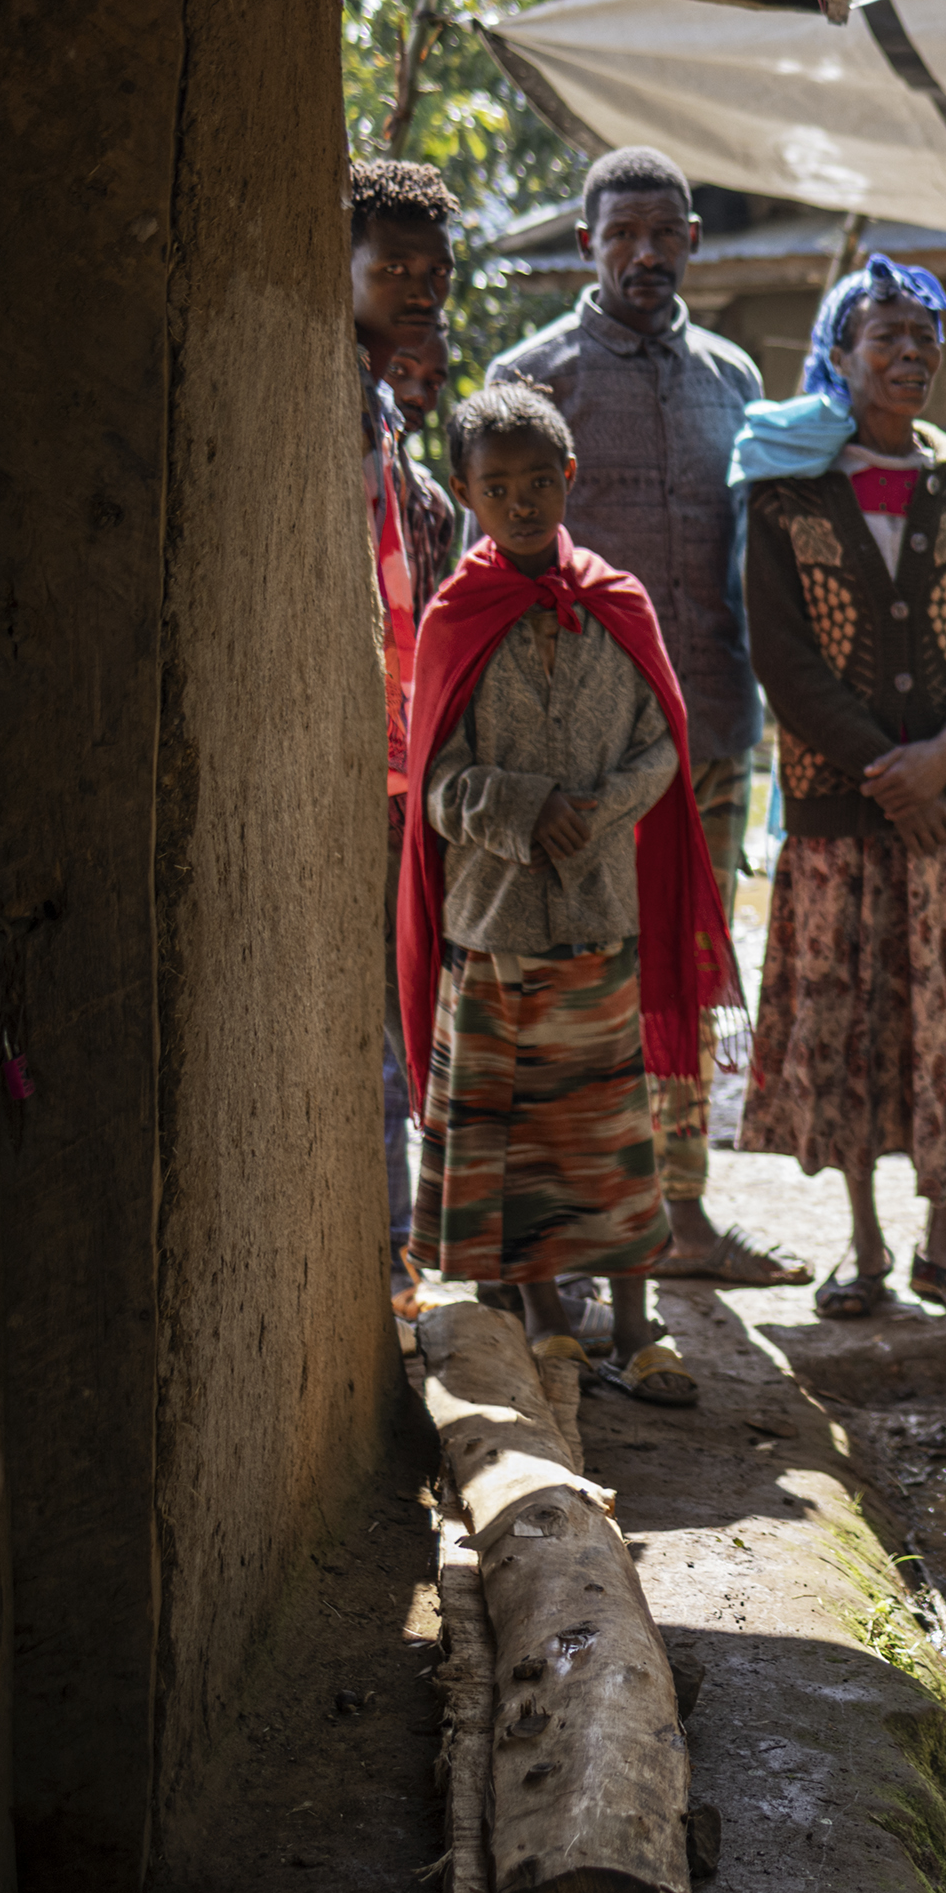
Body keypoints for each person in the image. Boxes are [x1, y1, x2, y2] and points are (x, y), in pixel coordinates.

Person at [490, 146, 798, 1287]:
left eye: (664, 233)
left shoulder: (732, 380)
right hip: (580, 753)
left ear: (693, 243)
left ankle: (680, 1213)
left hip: (711, 730)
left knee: (683, 972)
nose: (644, 255)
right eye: (622, 235)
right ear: (586, 244)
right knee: (577, 974)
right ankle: (580, 1212)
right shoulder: (534, 380)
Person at [396, 381, 738, 1406]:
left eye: (537, 481)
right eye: (495, 487)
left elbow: (661, 750)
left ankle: (637, 1328)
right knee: (515, 1135)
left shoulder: (615, 605)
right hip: (494, 926)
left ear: (568, 479)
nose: (520, 502)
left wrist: (595, 811)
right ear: (464, 492)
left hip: (598, 917)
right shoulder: (460, 618)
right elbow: (437, 784)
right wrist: (522, 806)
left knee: (607, 1132)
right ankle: (547, 1319)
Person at [735, 256, 946, 1318]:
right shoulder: (785, 498)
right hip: (846, 814)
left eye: (925, 338)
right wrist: (888, 773)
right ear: (838, 355)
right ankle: (864, 1244)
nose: (910, 355)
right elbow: (783, 657)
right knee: (858, 1024)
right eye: (886, 337)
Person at [351, 160, 461, 1320]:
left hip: (400, 780)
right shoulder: (340, 409)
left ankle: (402, 1253)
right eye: (392, 268)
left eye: (433, 271)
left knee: (403, 1024)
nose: (419, 290)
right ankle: (386, 1261)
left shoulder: (395, 433)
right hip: (355, 776)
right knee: (379, 1038)